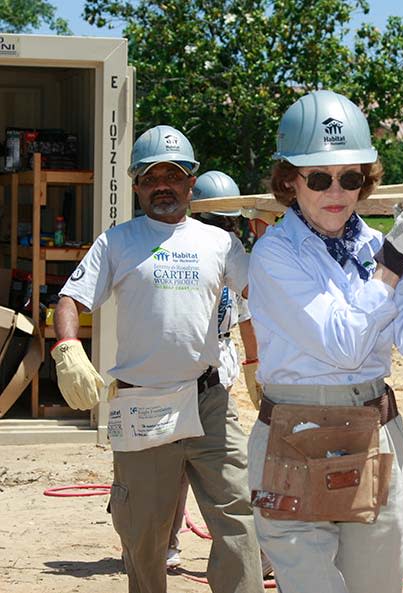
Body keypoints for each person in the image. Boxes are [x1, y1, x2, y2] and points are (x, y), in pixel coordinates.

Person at [246, 89, 403, 593]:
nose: (335, 190)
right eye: (319, 178)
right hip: (293, 433)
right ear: (289, 181)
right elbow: (342, 344)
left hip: (372, 428)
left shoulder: (375, 248)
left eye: (350, 177)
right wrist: (394, 262)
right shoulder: (275, 254)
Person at [51, 125, 264, 593]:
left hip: (209, 401)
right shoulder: (118, 242)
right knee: (143, 530)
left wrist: (259, 364)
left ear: (191, 182)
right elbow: (70, 302)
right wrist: (67, 350)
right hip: (143, 404)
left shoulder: (220, 243)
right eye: (151, 178)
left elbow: (261, 300)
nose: (162, 185)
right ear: (137, 185)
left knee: (237, 515)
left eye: (173, 175)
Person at [164, 169, 265, 571]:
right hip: (180, 369)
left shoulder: (230, 253)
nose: (226, 230)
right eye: (218, 222)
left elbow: (247, 315)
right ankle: (164, 541)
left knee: (229, 467)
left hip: (219, 368)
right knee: (175, 469)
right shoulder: (186, 253)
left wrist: (254, 364)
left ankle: (246, 551)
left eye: (230, 222)